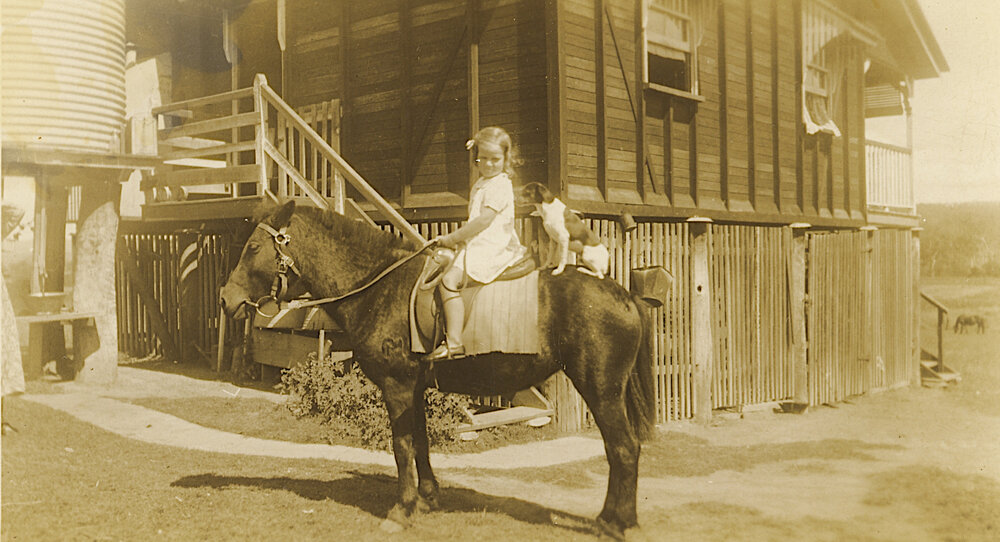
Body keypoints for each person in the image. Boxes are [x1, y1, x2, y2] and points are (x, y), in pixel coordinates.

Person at [425, 127, 527, 362]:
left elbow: (484, 221)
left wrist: (452, 238)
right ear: (476, 159)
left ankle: (454, 343)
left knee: (449, 280)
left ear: (505, 159)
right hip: (480, 240)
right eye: (484, 159)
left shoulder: (501, 185)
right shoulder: (482, 183)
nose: (489, 164)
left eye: (496, 159)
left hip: (491, 244)